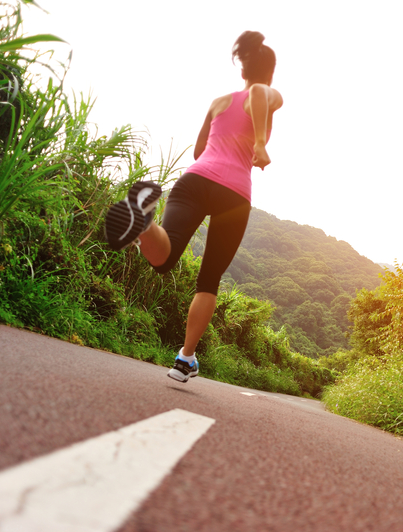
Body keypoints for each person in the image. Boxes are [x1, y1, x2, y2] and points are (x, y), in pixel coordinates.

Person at [104, 30, 283, 383]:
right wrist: (259, 143)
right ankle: (185, 358)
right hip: (233, 193)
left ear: (243, 69)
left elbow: (199, 150)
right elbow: (260, 94)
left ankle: (143, 223)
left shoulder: (218, 102)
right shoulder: (266, 92)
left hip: (195, 179)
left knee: (163, 257)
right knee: (209, 278)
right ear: (269, 72)